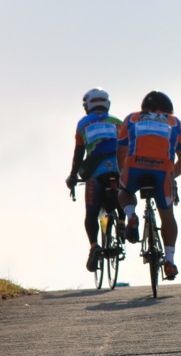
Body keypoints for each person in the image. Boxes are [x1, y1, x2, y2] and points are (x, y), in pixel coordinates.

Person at [117, 91, 181, 280]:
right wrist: (172, 175)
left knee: (124, 191)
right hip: (163, 171)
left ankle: (131, 215)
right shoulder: (175, 122)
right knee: (167, 215)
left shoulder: (131, 118)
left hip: (134, 167)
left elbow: (121, 150)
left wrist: (122, 173)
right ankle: (170, 260)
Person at [65, 88, 123, 273]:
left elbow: (79, 152)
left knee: (91, 213)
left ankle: (94, 246)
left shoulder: (83, 124)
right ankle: (122, 223)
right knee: (125, 193)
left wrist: (73, 175)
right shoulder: (117, 122)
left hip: (96, 173)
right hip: (119, 167)